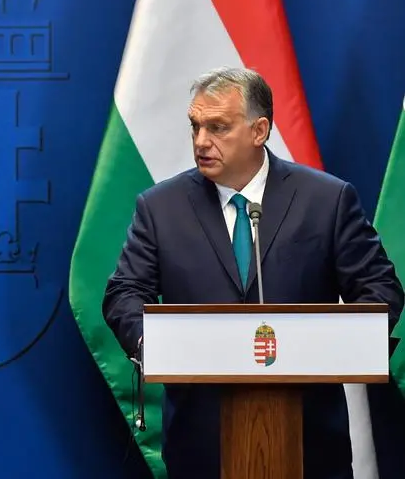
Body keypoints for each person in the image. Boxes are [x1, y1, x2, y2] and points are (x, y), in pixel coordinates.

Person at [102, 67, 403, 479]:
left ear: (259, 130)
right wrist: (149, 340)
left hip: (310, 439)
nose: (201, 141)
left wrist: (336, 341)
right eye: (195, 126)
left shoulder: (327, 200)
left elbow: (379, 288)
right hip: (200, 440)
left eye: (217, 127)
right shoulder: (160, 207)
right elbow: (124, 291)